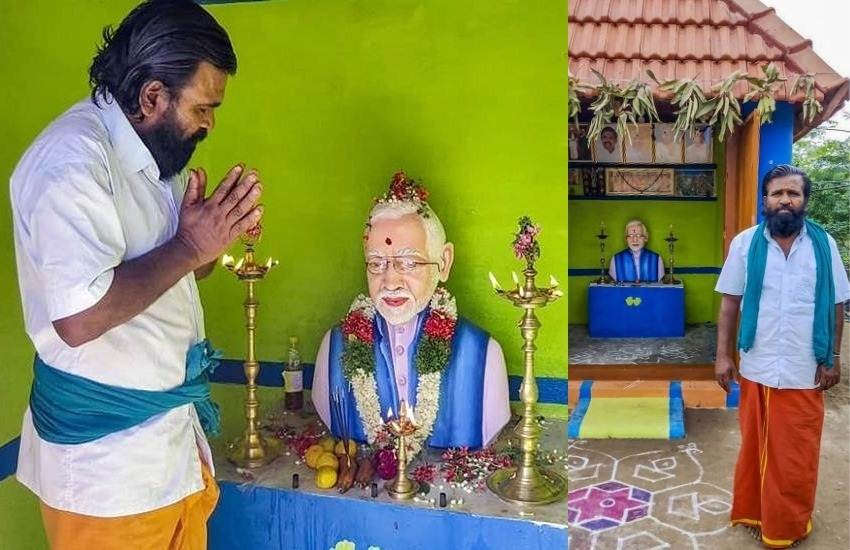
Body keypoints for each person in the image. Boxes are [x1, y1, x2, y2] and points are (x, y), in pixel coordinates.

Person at [10, 2, 263, 548]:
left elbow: (167, 278)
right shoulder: (72, 161)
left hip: (164, 457)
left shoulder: (152, 155)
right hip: (107, 478)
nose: (209, 123)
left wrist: (204, 245)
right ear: (152, 96)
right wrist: (191, 245)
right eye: (203, 107)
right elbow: (79, 318)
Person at [312, 172, 511, 456]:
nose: (390, 282)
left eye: (408, 263)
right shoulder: (335, 349)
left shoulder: (483, 355)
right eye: (376, 263)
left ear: (444, 263)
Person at [714, 164, 849, 548]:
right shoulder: (745, 244)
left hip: (805, 369)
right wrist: (723, 356)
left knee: (796, 455)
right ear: (765, 200)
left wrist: (834, 355)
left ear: (805, 200)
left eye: (793, 193)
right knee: (754, 447)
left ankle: (788, 523)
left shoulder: (824, 245)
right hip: (758, 365)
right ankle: (756, 512)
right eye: (777, 193)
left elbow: (837, 304)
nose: (785, 200)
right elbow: (730, 303)